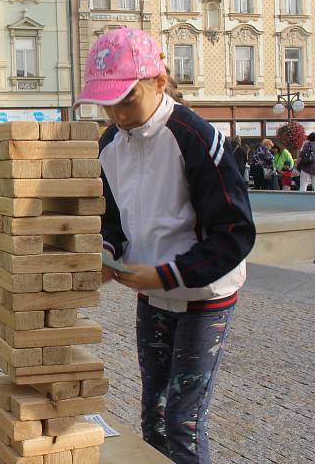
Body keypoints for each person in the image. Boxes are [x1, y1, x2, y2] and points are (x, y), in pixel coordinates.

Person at [77, 27, 255, 464]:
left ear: (158, 81)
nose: (117, 113)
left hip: (204, 296)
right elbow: (112, 217)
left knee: (183, 421)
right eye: (108, 102)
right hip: (153, 295)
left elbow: (235, 231)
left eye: (127, 99)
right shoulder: (109, 145)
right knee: (153, 417)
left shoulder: (195, 137)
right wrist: (109, 252)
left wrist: (165, 273)